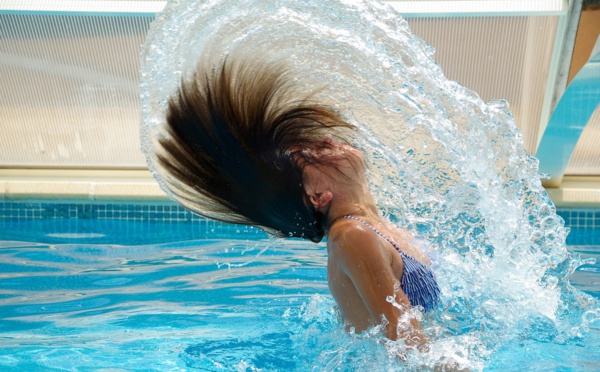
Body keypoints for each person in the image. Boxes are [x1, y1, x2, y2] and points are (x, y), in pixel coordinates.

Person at [154, 56, 440, 346]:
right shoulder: (351, 236)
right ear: (317, 196)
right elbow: (406, 340)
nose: (327, 140)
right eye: (310, 154)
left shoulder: (374, 228)